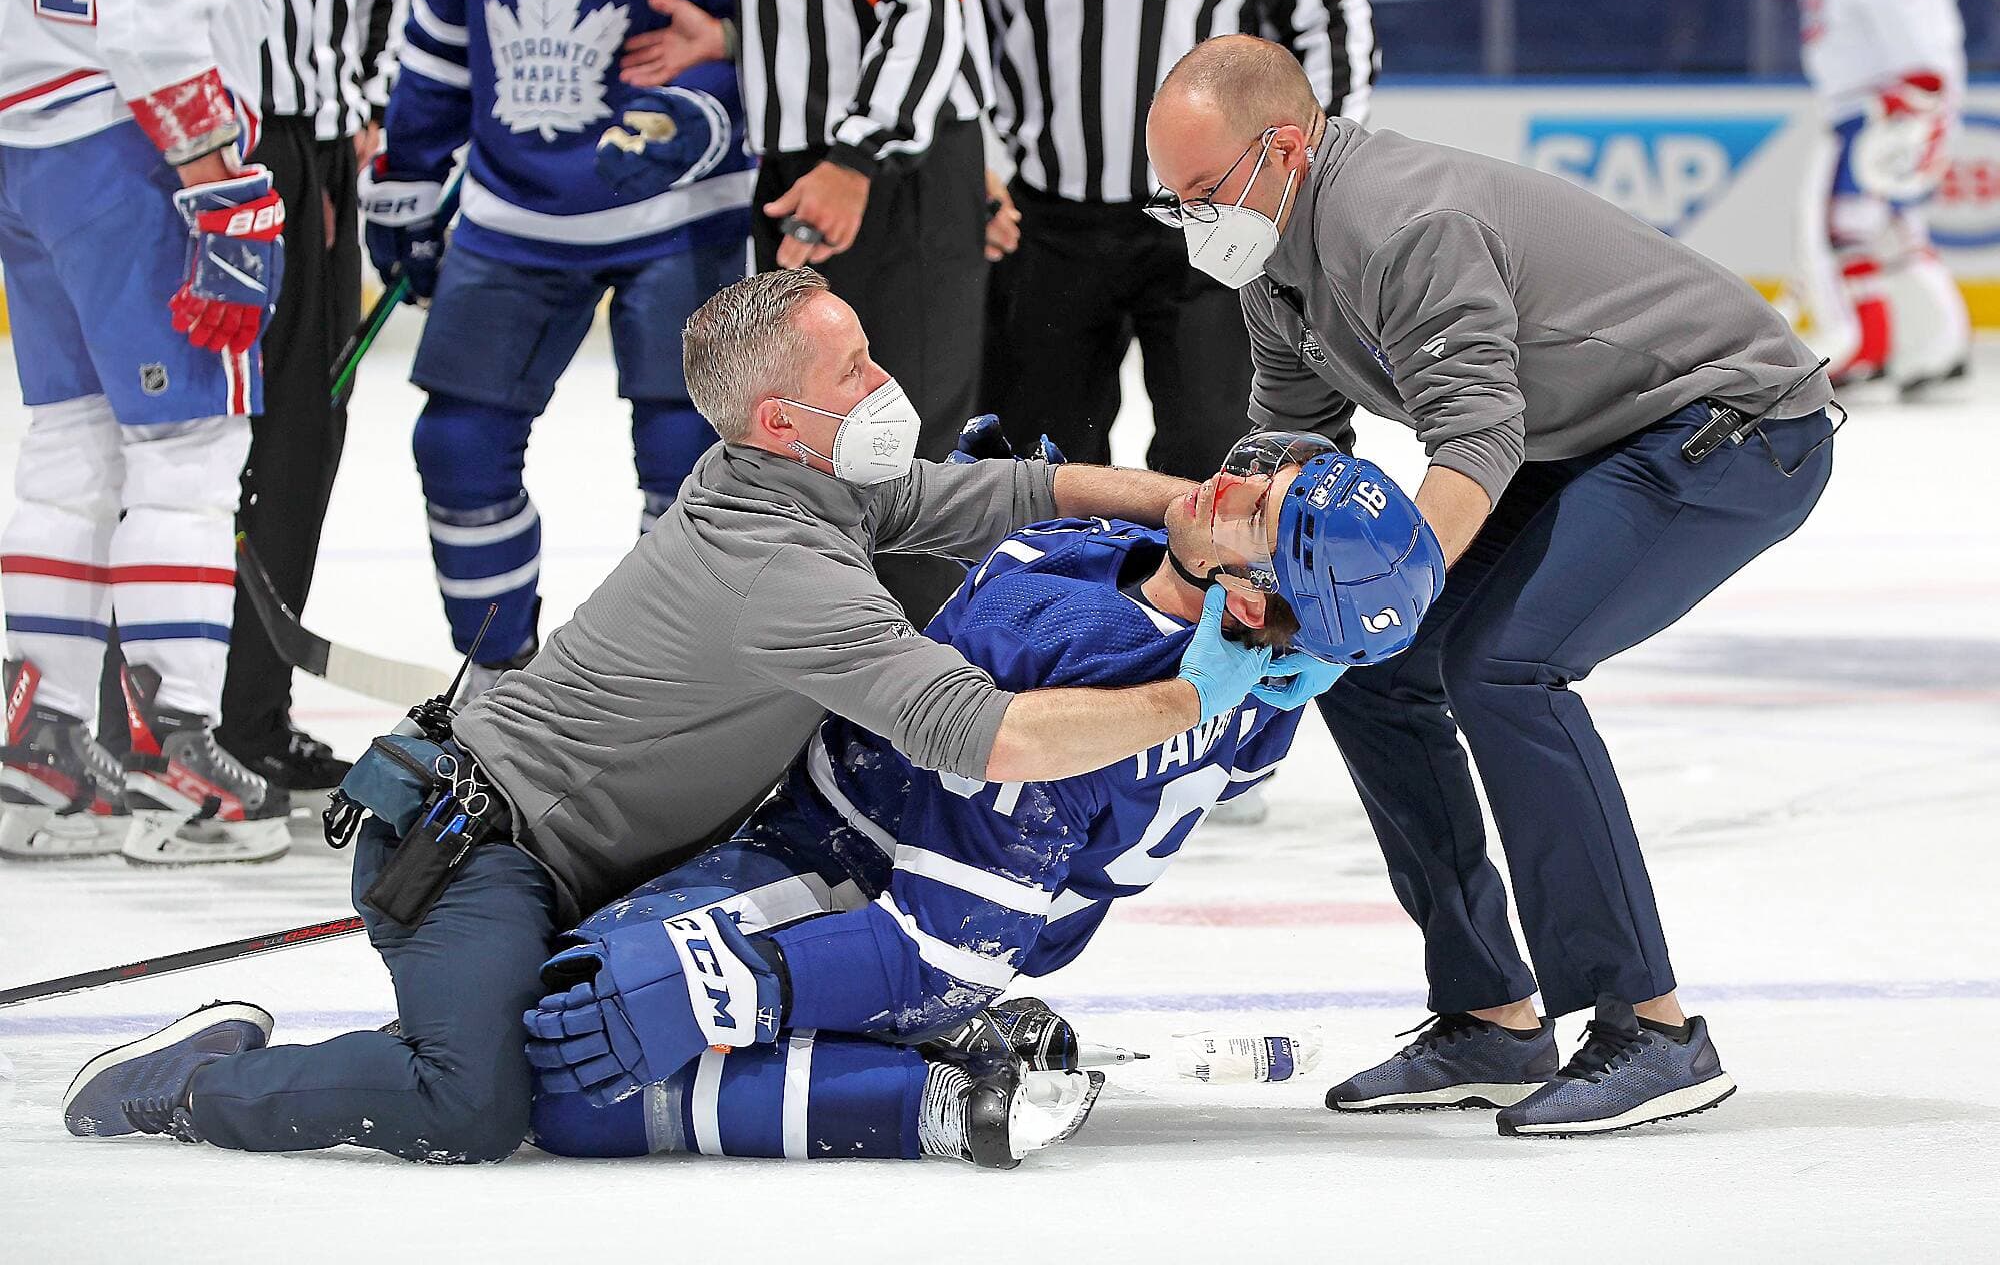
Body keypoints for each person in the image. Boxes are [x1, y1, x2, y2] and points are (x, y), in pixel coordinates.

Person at [58, 267, 1309, 1165]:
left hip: (575, 855)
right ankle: (190, 1085)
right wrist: (1203, 691)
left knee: (557, 1035)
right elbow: (998, 738)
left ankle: (425, 1027)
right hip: (482, 856)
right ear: (784, 423)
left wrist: (1191, 509)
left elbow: (1010, 489)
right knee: (471, 1108)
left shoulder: (799, 479)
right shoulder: (786, 573)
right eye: (854, 373)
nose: (884, 385)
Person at [1144, 37, 1839, 1137]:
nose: (1190, 222)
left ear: (1281, 147)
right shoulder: (1272, 264)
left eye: (1200, 193)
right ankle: (1490, 1017)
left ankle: (1651, 1029)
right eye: (1170, 201)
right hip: (1588, 438)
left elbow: (1471, 435)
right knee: (1368, 676)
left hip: (1731, 428)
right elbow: (1294, 443)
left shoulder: (1399, 222)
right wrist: (1258, 590)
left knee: (1503, 668)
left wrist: (1375, 600)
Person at [510, 432, 1441, 1167]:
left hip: (861, 885)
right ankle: (931, 1044)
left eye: (1259, 512)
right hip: (836, 832)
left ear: (1247, 601)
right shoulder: (1199, 616)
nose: (1228, 481)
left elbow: (946, 951)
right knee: (562, 1009)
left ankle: (931, 1099)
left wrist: (738, 987)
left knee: (563, 1076)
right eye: (1268, 469)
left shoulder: (1099, 693)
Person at [361, 0, 752, 695]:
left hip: (677, 204)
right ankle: (497, 673)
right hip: (513, 207)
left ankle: (664, 682)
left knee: (688, 452)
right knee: (457, 445)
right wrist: (408, 172)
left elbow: (748, 31)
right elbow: (443, 43)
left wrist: (698, 111)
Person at [0, 0, 294, 865]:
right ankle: (180, 764)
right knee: (189, 448)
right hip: (130, 145)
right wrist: (214, 176)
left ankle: (41, 749)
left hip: (22, 149)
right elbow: (151, 12)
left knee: (72, 441)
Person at [622, 0, 998, 619]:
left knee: (890, 450)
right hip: (818, 164)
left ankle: (915, 704)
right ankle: (824, 691)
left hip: (880, 169)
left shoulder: (864, 155)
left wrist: (856, 161)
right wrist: (742, 39)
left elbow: (929, 14)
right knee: (807, 451)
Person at [972, 0, 1376, 480]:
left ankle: (1201, 566)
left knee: (1219, 450)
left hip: (1212, 223)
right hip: (1044, 223)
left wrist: (1307, 172)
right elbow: (955, 32)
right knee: (1040, 461)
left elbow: (1332, 13)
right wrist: (976, 171)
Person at [216, 0, 411, 796]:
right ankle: (176, 712)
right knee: (187, 442)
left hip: (307, 150)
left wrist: (355, 114)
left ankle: (243, 715)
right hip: (232, 142)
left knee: (301, 432)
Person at [1793, 0, 1969, 393]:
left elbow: (1928, 69)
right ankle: (1940, 347)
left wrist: (1916, 124)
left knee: (1856, 231)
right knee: (1894, 231)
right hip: (1860, 109)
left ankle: (1873, 347)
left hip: (1883, 113)